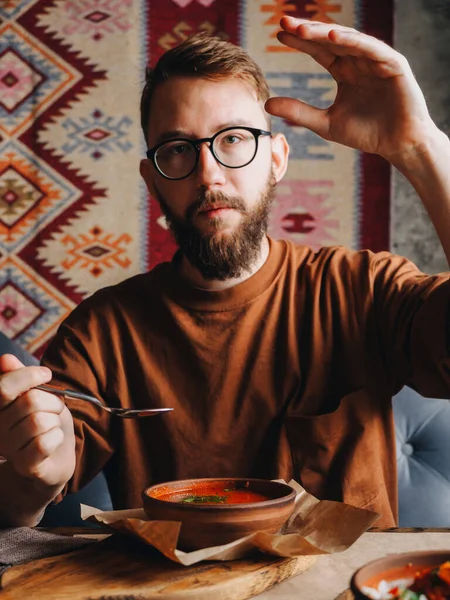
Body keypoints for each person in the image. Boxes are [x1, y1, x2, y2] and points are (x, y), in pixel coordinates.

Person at [0, 16, 449, 529]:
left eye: (233, 139)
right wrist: (33, 477)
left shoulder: (361, 289)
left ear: (276, 158)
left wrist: (421, 148)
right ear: (153, 180)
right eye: (177, 149)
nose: (208, 172)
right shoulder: (104, 331)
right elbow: (23, 502)